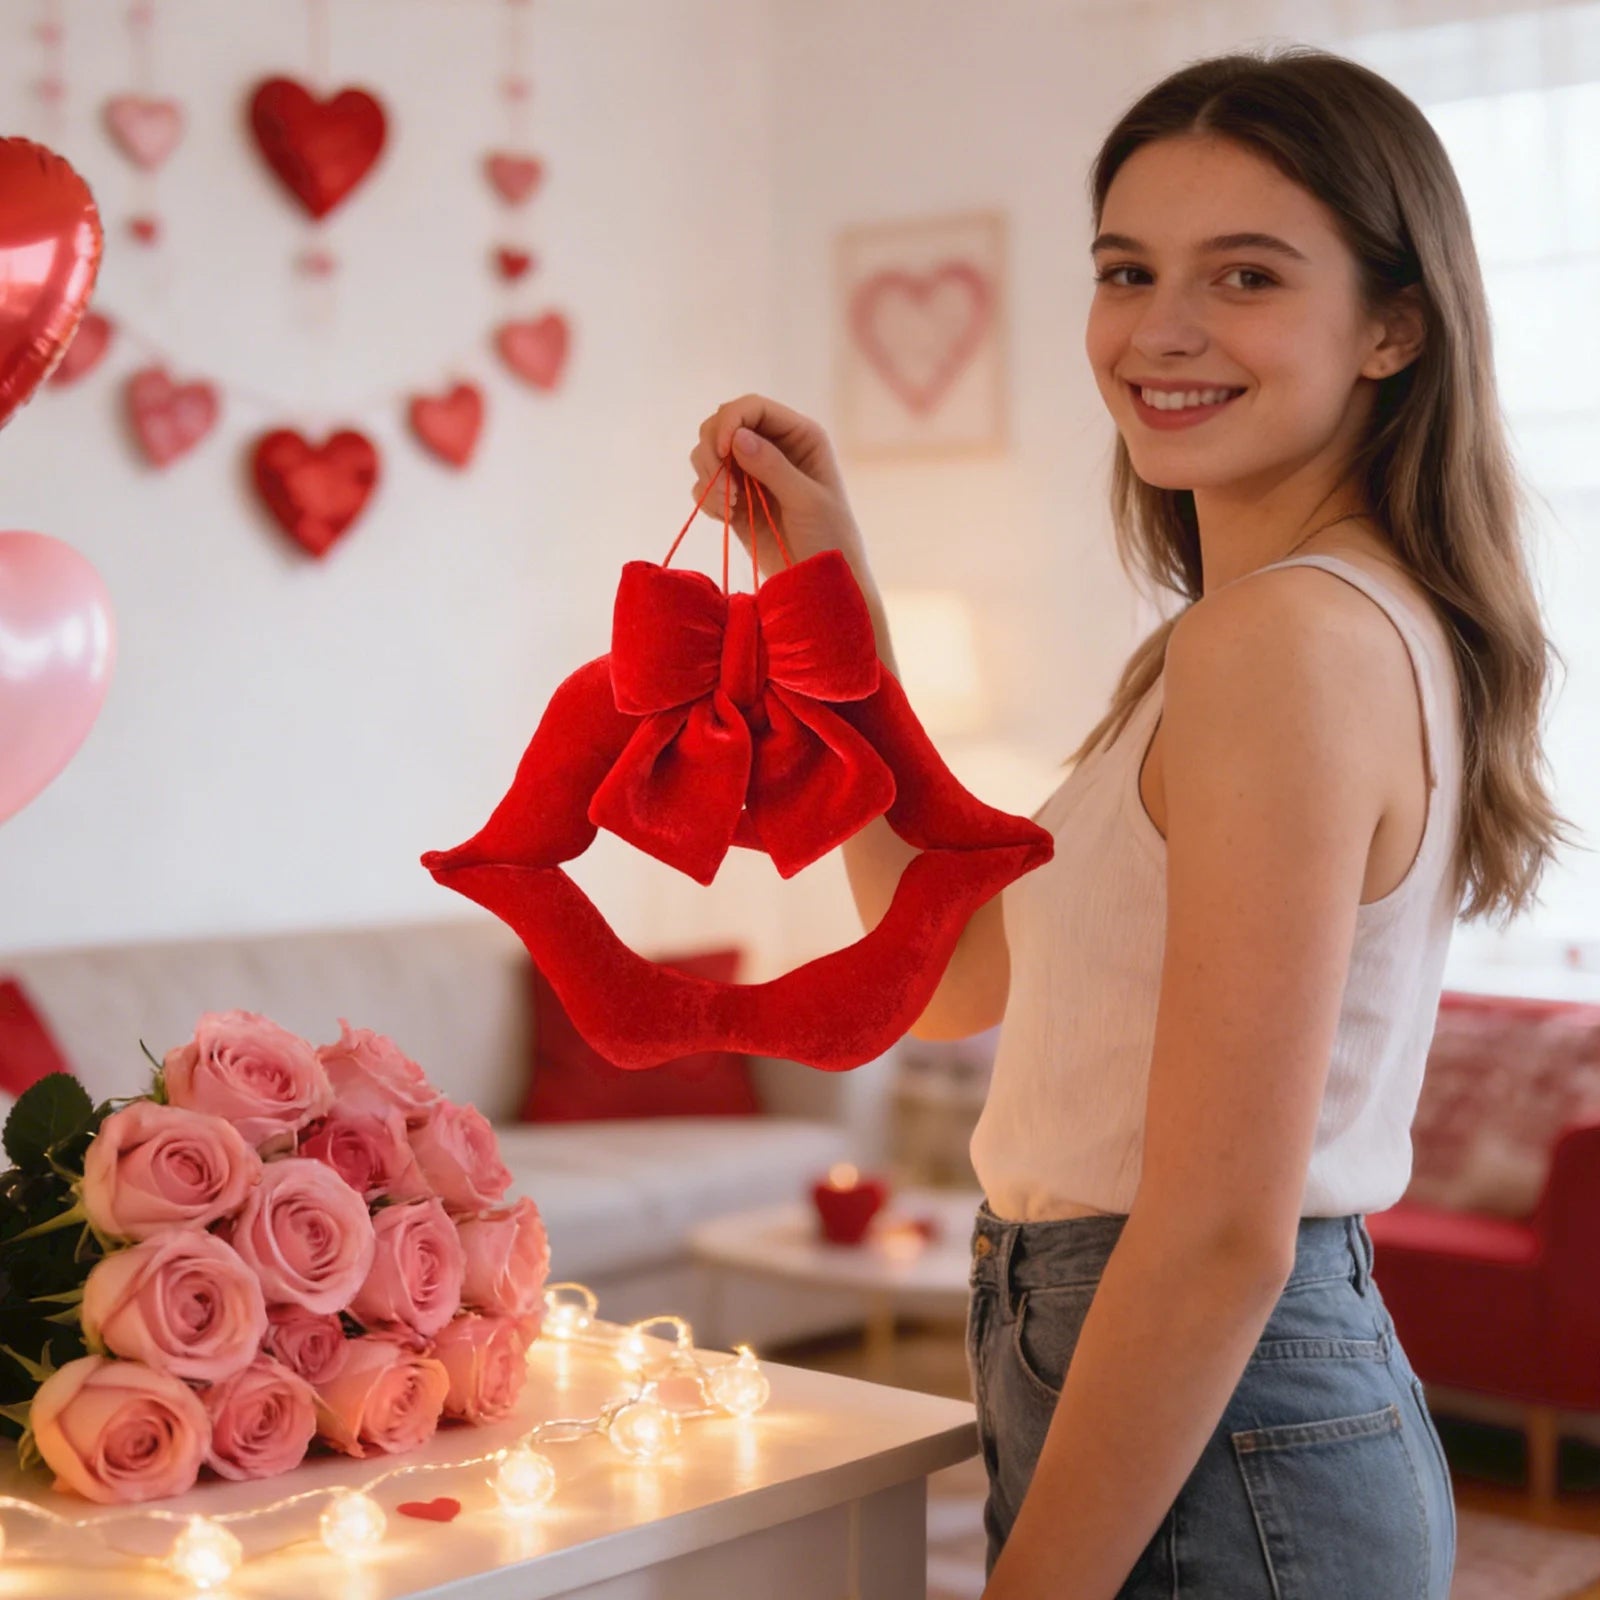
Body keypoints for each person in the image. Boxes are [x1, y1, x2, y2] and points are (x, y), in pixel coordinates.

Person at [687, 43, 1578, 1600]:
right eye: (1126, 270)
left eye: (1246, 275)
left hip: (1209, 1409)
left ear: (1394, 327)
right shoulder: (1261, 638)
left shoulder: (1281, 643)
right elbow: (951, 971)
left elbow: (1220, 1232)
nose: (1160, 328)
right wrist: (827, 598)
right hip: (1198, 1400)